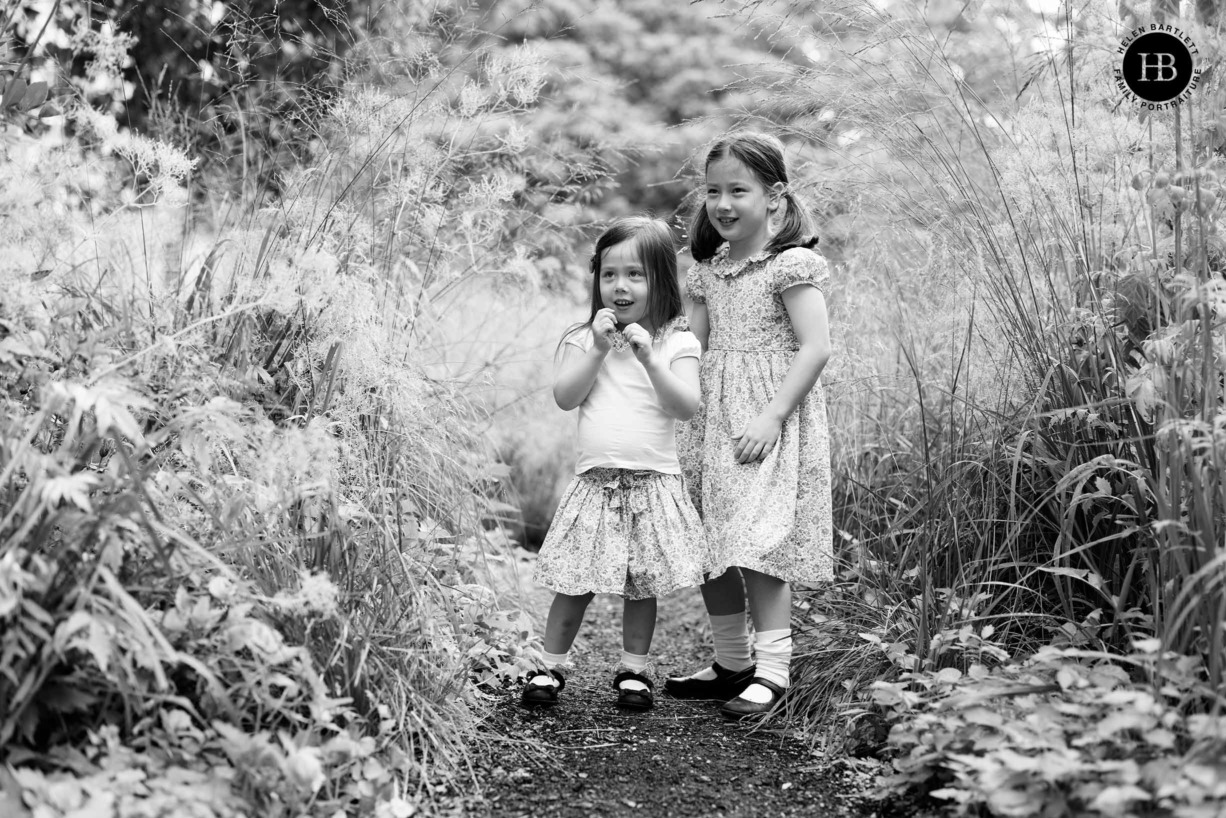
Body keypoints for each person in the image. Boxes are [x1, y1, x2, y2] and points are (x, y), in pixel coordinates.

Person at [665, 132, 834, 720]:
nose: (723, 204)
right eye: (713, 191)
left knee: (757, 542)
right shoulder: (709, 273)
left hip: (766, 420)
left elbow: (815, 348)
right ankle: (732, 661)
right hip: (711, 419)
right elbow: (693, 347)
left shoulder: (791, 266)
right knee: (709, 539)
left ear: (776, 196)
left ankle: (775, 670)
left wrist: (773, 415)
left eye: (739, 190)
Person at [523, 215, 709, 711]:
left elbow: (685, 406)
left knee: (641, 583)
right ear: (597, 280)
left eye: (635, 275)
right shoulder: (586, 338)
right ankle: (550, 665)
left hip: (653, 481)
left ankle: (633, 671)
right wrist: (600, 350)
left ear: (661, 281)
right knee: (574, 579)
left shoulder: (677, 341)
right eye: (609, 274)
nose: (620, 286)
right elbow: (566, 397)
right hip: (596, 482)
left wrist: (649, 359)